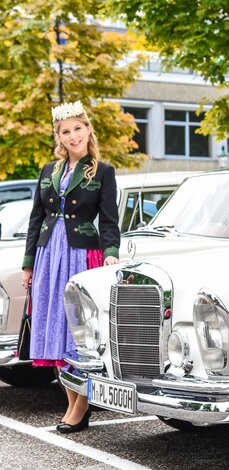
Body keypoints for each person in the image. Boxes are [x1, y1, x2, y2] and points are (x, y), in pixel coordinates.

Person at [22, 100, 120, 434]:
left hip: (81, 254)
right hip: (49, 254)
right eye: (66, 131)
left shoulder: (102, 171)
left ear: (88, 129)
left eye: (78, 128)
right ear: (59, 137)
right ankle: (74, 404)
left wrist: (111, 252)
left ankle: (80, 406)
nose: (73, 135)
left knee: (77, 327)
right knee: (54, 324)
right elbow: (36, 218)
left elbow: (109, 220)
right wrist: (28, 264)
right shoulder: (48, 170)